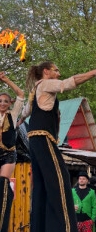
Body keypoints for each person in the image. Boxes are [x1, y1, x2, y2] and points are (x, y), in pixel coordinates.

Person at [21, 61, 96, 232]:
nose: (58, 73)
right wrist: (93, 72)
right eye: (56, 70)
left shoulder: (35, 90)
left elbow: (24, 112)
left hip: (34, 141)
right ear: (46, 71)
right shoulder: (46, 84)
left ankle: (40, 227)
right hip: (44, 138)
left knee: (42, 185)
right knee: (60, 180)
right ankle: (65, 227)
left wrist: (18, 122)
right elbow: (69, 82)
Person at [0, 71, 24, 232]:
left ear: (10, 103)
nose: (2, 103)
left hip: (8, 154)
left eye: (5, 101)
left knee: (2, 183)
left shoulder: (13, 114)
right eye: (0, 101)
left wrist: (6, 79)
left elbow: (21, 94)